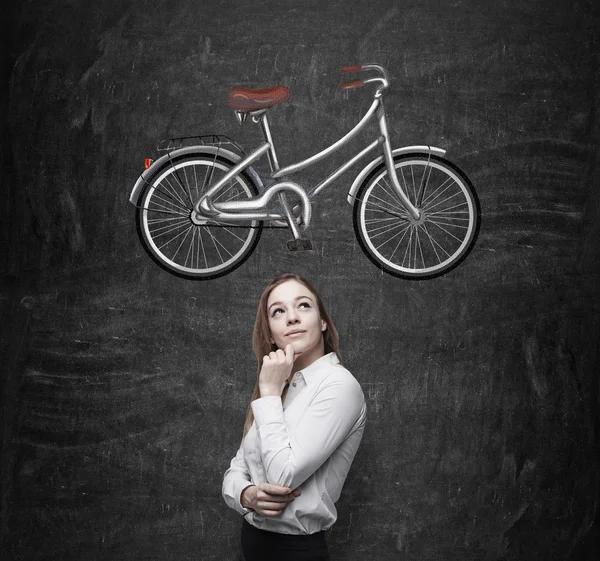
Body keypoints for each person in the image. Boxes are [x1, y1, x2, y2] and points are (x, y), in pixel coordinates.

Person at [222, 273, 367, 561]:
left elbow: (282, 477)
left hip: (295, 552)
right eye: (278, 311)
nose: (292, 317)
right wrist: (246, 495)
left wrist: (269, 393)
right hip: (251, 543)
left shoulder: (338, 386)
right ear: (270, 334)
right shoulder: (282, 386)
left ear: (323, 322)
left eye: (303, 306)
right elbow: (235, 471)